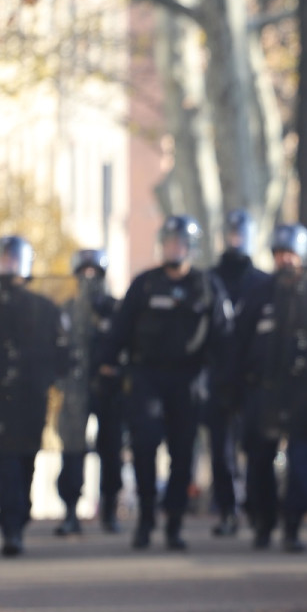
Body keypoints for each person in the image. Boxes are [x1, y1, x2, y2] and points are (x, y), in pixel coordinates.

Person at [99, 215, 232, 551]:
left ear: (191, 248)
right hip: (147, 377)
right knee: (143, 446)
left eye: (180, 243)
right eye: (169, 242)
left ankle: (173, 522)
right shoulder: (144, 284)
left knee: (183, 453)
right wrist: (107, 365)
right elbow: (120, 330)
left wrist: (223, 379)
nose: (174, 249)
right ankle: (145, 518)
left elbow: (222, 337)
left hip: (189, 379)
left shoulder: (206, 286)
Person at [0, 236, 70, 557]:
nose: (7, 267)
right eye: (2, 260)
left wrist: (53, 383)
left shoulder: (44, 309)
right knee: (5, 465)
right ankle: (11, 527)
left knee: (26, 461)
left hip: (31, 400)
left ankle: (20, 517)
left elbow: (64, 356)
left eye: (11, 260)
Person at [236, 223, 307, 552]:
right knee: (259, 462)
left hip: (303, 393)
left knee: (301, 462)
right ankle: (263, 523)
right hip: (263, 392)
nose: (285, 261)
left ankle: (293, 525)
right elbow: (238, 343)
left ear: (303, 257)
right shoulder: (258, 294)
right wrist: (234, 387)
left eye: (291, 255)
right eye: (280, 255)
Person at [204, 209, 268, 537]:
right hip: (218, 377)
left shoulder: (262, 283)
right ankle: (227, 509)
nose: (236, 240)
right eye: (231, 234)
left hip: (253, 379)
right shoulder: (208, 280)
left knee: (256, 446)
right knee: (221, 450)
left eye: (241, 235)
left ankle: (257, 509)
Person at [54, 248, 125, 536]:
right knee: (72, 448)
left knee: (112, 450)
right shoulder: (68, 311)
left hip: (109, 390)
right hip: (76, 389)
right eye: (84, 272)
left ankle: (109, 509)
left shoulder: (116, 309)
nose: (89, 278)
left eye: (95, 272)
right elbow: (57, 349)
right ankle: (71, 510)